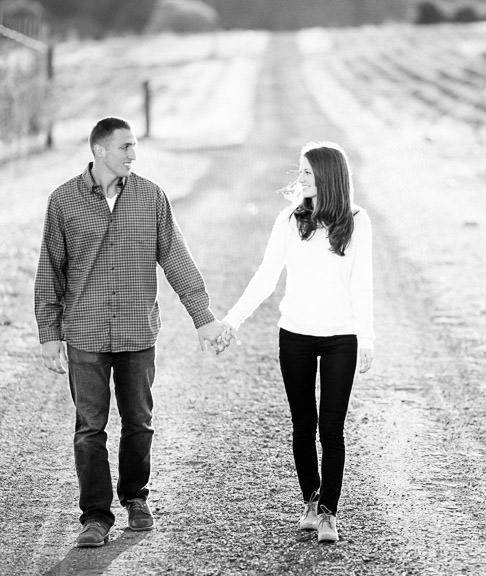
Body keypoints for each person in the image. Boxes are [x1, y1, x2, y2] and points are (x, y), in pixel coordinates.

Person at [34, 117, 228, 548]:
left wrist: (204, 317)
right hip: (85, 332)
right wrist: (49, 332)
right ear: (100, 150)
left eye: (135, 146)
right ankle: (95, 517)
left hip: (138, 332)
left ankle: (135, 498)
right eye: (125, 147)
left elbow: (176, 258)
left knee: (139, 422)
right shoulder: (64, 201)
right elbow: (50, 270)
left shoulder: (150, 197)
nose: (133, 155)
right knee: (90, 428)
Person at [221, 142, 374, 543]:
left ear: (328, 177)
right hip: (296, 335)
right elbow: (266, 277)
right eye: (301, 172)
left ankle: (329, 514)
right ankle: (310, 500)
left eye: (307, 173)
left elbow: (363, 285)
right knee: (303, 424)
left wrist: (367, 336)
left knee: (332, 427)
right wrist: (232, 321)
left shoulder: (358, 222)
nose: (300, 178)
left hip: (341, 338)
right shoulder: (290, 220)